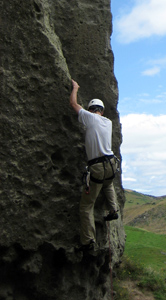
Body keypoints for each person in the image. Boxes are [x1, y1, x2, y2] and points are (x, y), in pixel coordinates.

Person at [69, 79, 119, 250]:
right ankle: (113, 210)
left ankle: (88, 240)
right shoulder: (108, 122)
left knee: (86, 206)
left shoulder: (89, 118)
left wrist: (75, 87)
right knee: (108, 183)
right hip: (111, 164)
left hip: (97, 167)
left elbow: (73, 104)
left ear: (91, 110)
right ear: (102, 110)